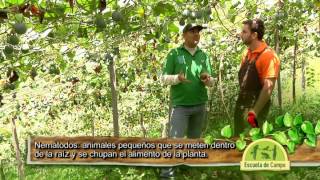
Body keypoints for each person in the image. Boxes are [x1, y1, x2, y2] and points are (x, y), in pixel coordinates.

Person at [160, 23, 214, 179]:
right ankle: (167, 175)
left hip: (199, 105)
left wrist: (207, 80)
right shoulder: (174, 54)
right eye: (192, 31)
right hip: (180, 107)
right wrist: (177, 78)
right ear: (184, 35)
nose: (196, 34)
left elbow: (210, 81)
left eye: (198, 32)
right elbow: (163, 78)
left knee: (194, 141)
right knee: (175, 142)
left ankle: (190, 170)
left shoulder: (204, 55)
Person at [234, 19, 280, 137]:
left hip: (256, 104)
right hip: (242, 101)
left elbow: (268, 88)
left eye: (244, 32)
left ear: (254, 35)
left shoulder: (268, 56)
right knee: (238, 138)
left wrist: (254, 111)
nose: (241, 34)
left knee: (253, 142)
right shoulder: (246, 53)